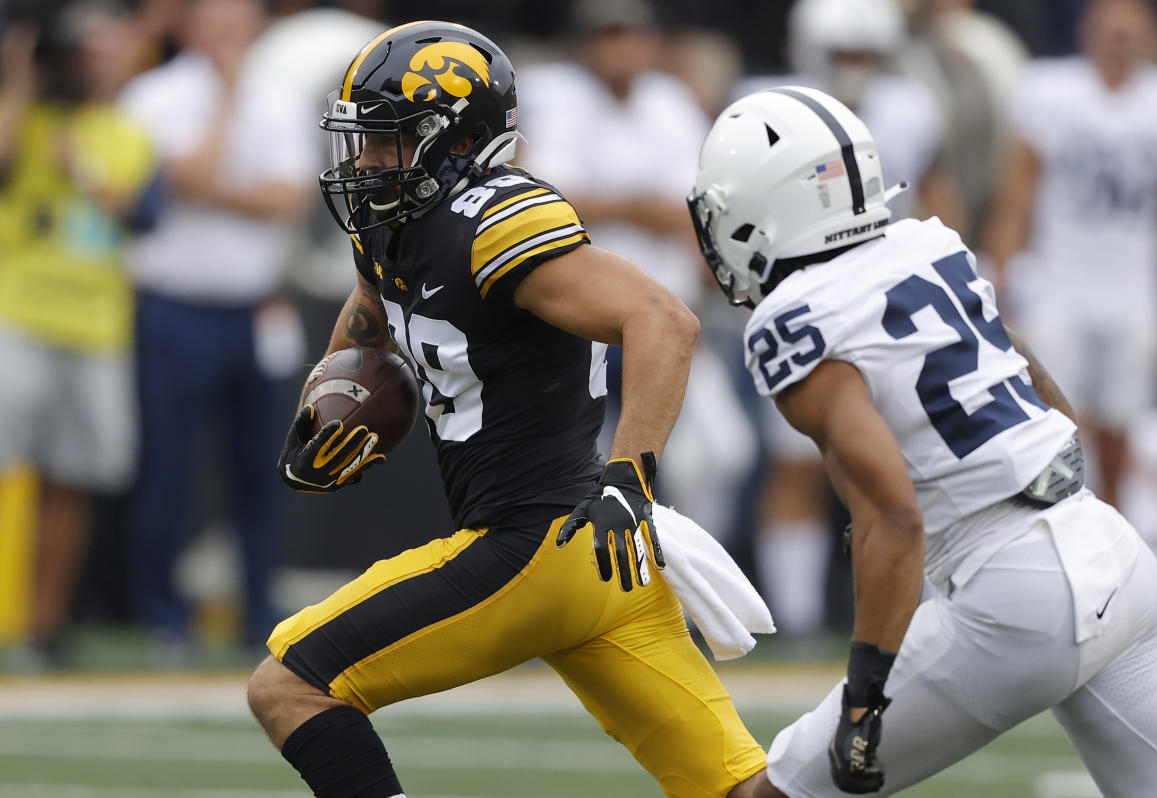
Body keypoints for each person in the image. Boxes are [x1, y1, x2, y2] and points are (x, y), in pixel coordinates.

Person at [245, 22, 769, 798]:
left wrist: (632, 475)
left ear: (457, 142)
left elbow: (663, 319)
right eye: (362, 140)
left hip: (533, 545)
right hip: (601, 566)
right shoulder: (394, 222)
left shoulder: (497, 222)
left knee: (288, 684)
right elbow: (373, 307)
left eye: (388, 141)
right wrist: (333, 401)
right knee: (739, 788)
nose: (365, 161)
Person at [687, 85, 1157, 796]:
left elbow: (893, 516)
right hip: (1110, 550)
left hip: (1009, 595)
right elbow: (1037, 385)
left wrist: (864, 697)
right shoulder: (926, 243)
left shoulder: (792, 319)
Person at [736, 0, 967, 640]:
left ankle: (922, 622)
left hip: (892, 304)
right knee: (799, 467)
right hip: (807, 301)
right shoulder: (765, 106)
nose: (855, 69)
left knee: (914, 463)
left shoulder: (909, 107)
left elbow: (938, 194)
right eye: (843, 54)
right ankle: (798, 624)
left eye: (865, 54)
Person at [519, 0, 757, 540]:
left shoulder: (669, 101)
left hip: (666, 315)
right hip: (579, 325)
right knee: (585, 470)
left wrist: (618, 205)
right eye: (604, 35)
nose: (617, 47)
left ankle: (687, 591)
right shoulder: (553, 95)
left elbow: (701, 210)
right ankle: (598, 591)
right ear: (583, 42)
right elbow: (543, 203)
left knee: (720, 453)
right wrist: (645, 208)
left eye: (627, 34)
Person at [119, 0, 315, 655]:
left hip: (253, 306)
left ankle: (256, 609)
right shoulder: (153, 97)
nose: (229, 37)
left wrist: (217, 190)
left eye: (239, 23)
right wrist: (226, 112)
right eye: (216, 22)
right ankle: (161, 614)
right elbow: (184, 177)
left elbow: (289, 199)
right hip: (174, 306)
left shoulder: (281, 99)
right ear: (189, 27)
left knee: (261, 468)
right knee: (169, 466)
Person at [983, 0, 1157, 508]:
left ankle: (1114, 536)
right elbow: (1015, 202)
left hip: (1134, 288)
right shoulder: (1050, 92)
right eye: (1111, 32)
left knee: (1119, 434)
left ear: (1152, 35)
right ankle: (1051, 532)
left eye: (1130, 34)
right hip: (1059, 284)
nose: (1120, 44)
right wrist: (998, 292)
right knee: (1049, 428)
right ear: (1087, 32)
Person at [0, 4, 154, 666]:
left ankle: (45, 624)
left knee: (76, 477)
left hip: (95, 327)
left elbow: (141, 212)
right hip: (20, 313)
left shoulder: (127, 132)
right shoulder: (26, 119)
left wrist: (82, 172)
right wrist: (20, 74)